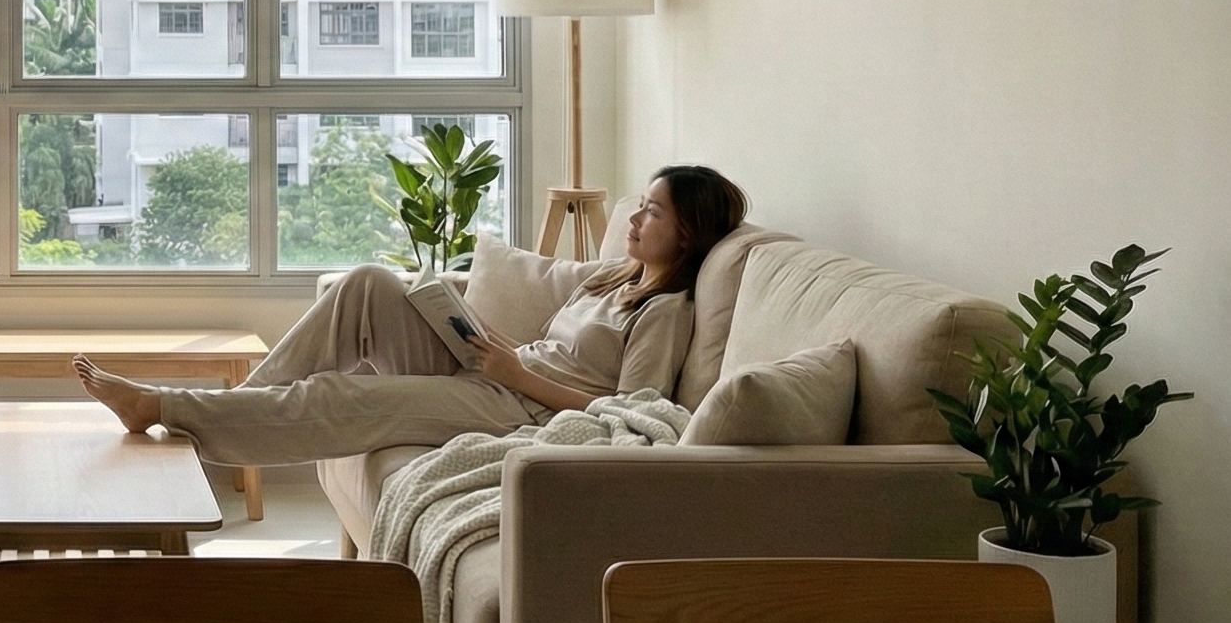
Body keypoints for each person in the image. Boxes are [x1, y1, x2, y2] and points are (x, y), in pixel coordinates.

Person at [75, 166, 749, 467]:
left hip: (528, 409)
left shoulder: (666, 311)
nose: (634, 218)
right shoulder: (615, 277)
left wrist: (516, 373)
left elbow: (623, 411)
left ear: (687, 233)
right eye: (642, 205)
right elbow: (555, 347)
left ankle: (163, 407)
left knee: (341, 394)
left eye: (652, 211)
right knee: (367, 283)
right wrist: (494, 344)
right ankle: (246, 408)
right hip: (504, 372)